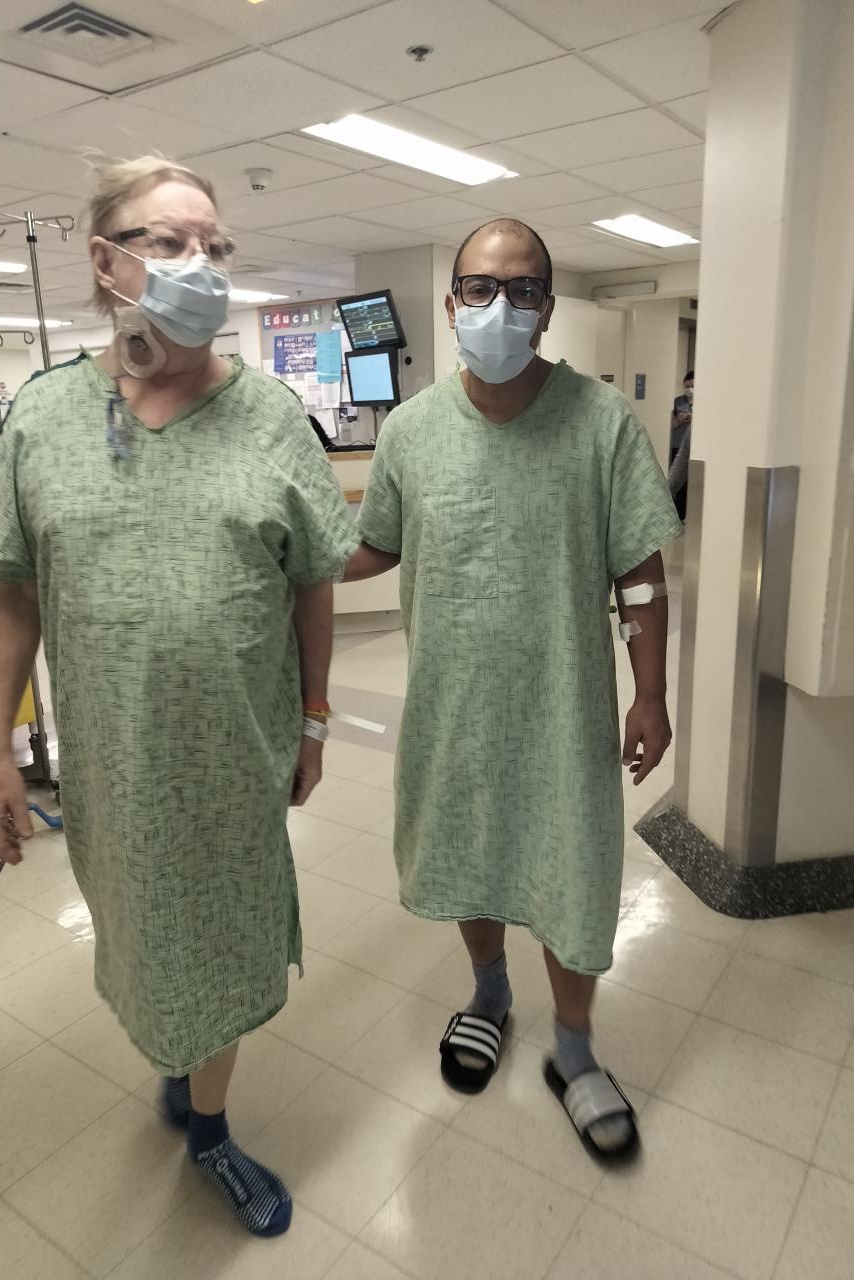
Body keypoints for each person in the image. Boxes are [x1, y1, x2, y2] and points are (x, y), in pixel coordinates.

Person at [0, 155, 357, 1237]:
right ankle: (186, 1064)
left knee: (223, 942)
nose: (204, 265)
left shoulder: (271, 417)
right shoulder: (44, 418)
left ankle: (213, 1127)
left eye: (216, 247)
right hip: (116, 765)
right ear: (106, 262)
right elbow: (10, 588)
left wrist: (316, 714)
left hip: (236, 757)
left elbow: (313, 579)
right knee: (144, 937)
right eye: (173, 242)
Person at [345, 218, 682, 1162]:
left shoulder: (601, 421)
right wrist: (292, 555)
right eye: (481, 289)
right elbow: (380, 542)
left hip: (565, 711)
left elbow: (642, 572)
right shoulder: (411, 430)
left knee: (573, 871)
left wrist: (649, 695)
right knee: (468, 850)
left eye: (523, 289)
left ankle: (573, 1052)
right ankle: (489, 994)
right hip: (454, 708)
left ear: (546, 308)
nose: (501, 306)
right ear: (452, 306)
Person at [669, 371, 694, 518]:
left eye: (693, 386)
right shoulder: (678, 402)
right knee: (679, 482)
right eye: (687, 386)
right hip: (678, 445)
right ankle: (678, 514)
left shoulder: (705, 402)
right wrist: (679, 420)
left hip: (695, 450)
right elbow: (671, 425)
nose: (689, 389)